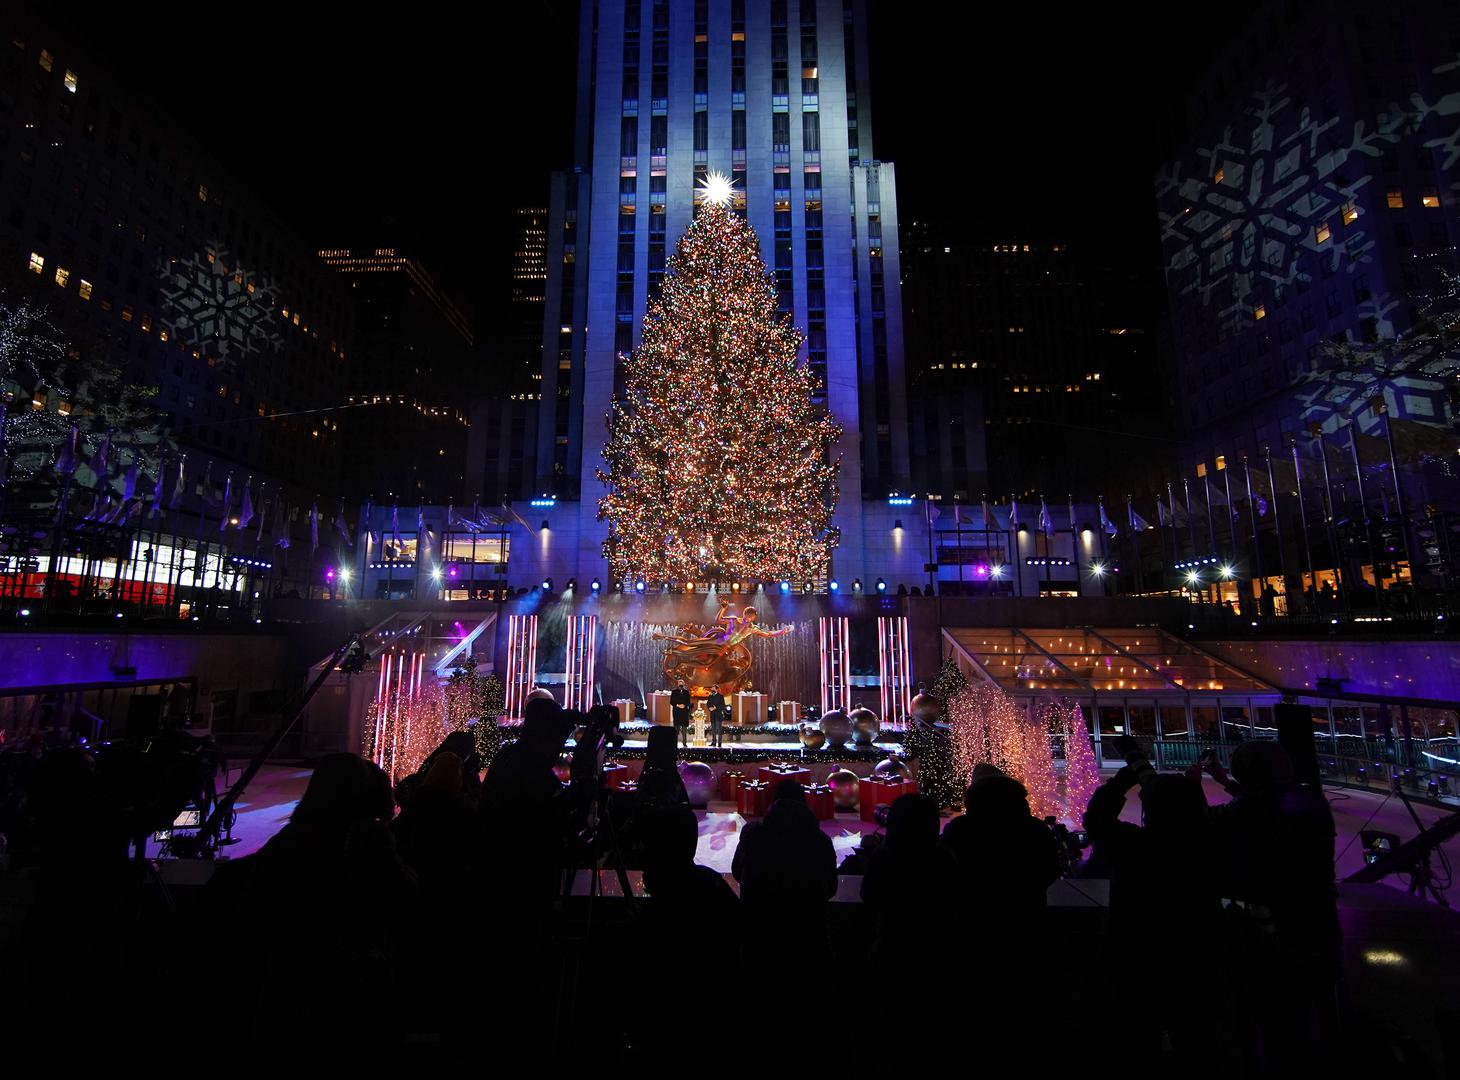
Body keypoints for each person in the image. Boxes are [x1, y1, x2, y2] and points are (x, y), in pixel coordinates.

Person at [1195, 740, 1341, 1073]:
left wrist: (1189, 789)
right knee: (1318, 1014)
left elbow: (1209, 820)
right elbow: (1264, 803)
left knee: (1273, 1022)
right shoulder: (1309, 799)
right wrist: (1227, 783)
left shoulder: (1252, 809)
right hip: (1320, 928)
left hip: (1276, 934)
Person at [1084, 738, 1222, 1071]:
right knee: (1196, 1034)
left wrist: (1122, 781)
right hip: (1196, 955)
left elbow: (1097, 821)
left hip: (1134, 953)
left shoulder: (1136, 846)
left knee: (1133, 1034)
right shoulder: (1212, 844)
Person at [731, 780, 838, 958]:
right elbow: (831, 887)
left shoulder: (752, 833)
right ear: (804, 803)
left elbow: (737, 871)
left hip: (758, 937)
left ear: (774, 802)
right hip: (809, 939)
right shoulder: (820, 840)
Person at [860, 794, 958, 970]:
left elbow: (868, 896)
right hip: (940, 951)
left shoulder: (884, 857)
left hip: (891, 948)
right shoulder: (944, 859)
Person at [670, 680, 692, 747]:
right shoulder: (674, 692)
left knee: (684, 729)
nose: (681, 684)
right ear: (677, 684)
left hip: (684, 713)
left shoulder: (686, 692)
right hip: (676, 712)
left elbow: (688, 702)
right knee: (676, 729)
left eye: (682, 683)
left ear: (684, 684)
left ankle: (684, 743)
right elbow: (671, 702)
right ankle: (674, 743)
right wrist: (678, 705)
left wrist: (684, 705)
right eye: (679, 683)